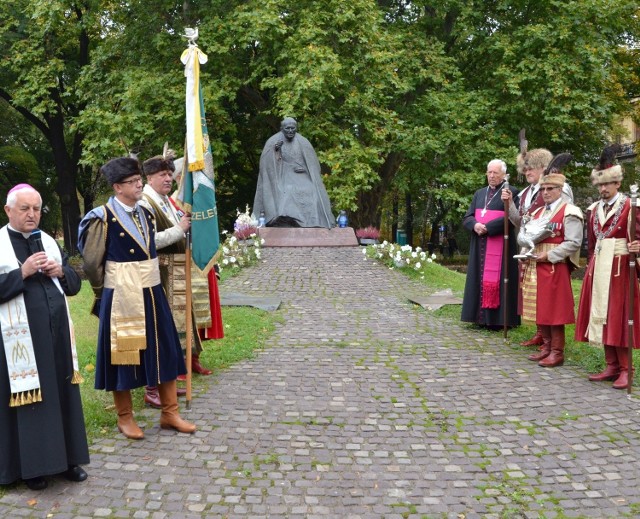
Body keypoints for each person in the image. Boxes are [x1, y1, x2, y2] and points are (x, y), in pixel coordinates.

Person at [78, 157, 196, 439]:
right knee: (124, 354)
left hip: (152, 290)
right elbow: (92, 263)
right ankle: (125, 417)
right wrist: (103, 296)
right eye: (132, 182)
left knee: (165, 348)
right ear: (118, 187)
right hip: (122, 294)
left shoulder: (147, 214)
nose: (139, 184)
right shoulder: (100, 218)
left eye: (139, 180)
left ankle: (170, 412)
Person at [0, 184, 89, 490]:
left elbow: (75, 285)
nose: (31, 215)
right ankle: (32, 467)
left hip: (57, 337)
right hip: (19, 344)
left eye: (36, 208)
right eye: (24, 209)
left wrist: (61, 271)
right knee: (32, 402)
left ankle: (68, 461)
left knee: (62, 396)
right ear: (8, 210)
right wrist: (21, 273)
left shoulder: (48, 241)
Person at [139, 151, 214, 409]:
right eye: (163, 174)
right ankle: (152, 388)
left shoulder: (164, 200)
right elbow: (148, 241)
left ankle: (167, 382)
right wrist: (179, 230)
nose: (169, 178)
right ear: (149, 178)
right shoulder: (146, 202)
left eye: (170, 174)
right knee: (160, 331)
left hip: (174, 272)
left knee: (173, 331)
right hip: (159, 273)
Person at [575, 149, 640, 389]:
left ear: (618, 182)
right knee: (602, 317)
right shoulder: (593, 209)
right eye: (599, 185)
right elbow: (591, 244)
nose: (602, 189)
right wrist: (591, 265)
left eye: (607, 185)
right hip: (598, 266)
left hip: (621, 267)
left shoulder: (632, 206)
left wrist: (637, 246)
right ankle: (611, 365)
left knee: (619, 316)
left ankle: (626, 368)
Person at [503, 148, 575, 348]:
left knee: (547, 296)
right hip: (529, 247)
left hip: (549, 247)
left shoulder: (560, 188)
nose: (527, 172)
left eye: (531, 168)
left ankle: (551, 342)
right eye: (524, 169)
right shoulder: (526, 193)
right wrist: (509, 204)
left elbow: (560, 218)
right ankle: (540, 333)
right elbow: (520, 221)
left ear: (544, 168)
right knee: (532, 292)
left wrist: (537, 240)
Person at [518, 173, 583, 367]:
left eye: (550, 189)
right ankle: (546, 347)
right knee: (541, 307)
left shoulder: (570, 211)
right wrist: (524, 255)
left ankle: (557, 352)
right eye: (543, 189)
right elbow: (528, 237)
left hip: (555, 265)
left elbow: (573, 242)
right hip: (535, 264)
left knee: (555, 310)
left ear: (560, 190)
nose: (545, 193)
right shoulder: (537, 212)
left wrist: (551, 255)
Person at [461, 159, 521, 329]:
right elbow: (467, 216)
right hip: (479, 242)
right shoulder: (479, 193)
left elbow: (512, 219)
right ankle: (478, 317)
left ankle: (499, 320)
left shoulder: (512, 192)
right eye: (489, 172)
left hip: (500, 245)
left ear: (503, 175)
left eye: (495, 173)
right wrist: (475, 225)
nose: (492, 176)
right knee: (477, 279)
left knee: (501, 280)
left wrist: (488, 227)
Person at [253, 117, 336, 228]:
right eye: (288, 128)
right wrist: (276, 151)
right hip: (282, 174)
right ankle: (285, 219)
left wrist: (305, 169)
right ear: (282, 129)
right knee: (287, 189)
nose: (291, 131)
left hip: (302, 174)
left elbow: (313, 164)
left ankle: (312, 221)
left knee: (311, 189)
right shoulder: (273, 141)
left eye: (293, 128)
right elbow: (266, 165)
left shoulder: (303, 141)